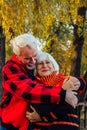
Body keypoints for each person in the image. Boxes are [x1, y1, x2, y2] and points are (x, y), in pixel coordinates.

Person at [0, 33, 79, 130]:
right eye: (27, 58)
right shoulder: (10, 68)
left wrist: (79, 83)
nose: (33, 61)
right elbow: (27, 91)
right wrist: (62, 92)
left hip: (32, 124)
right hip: (13, 125)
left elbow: (59, 80)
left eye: (35, 56)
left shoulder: (37, 68)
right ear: (18, 56)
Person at [26, 52, 86, 130]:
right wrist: (63, 96)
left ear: (53, 65)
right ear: (35, 68)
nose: (44, 66)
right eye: (40, 63)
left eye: (47, 62)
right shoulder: (33, 85)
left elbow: (69, 106)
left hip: (66, 127)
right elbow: (40, 108)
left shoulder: (65, 79)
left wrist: (42, 116)